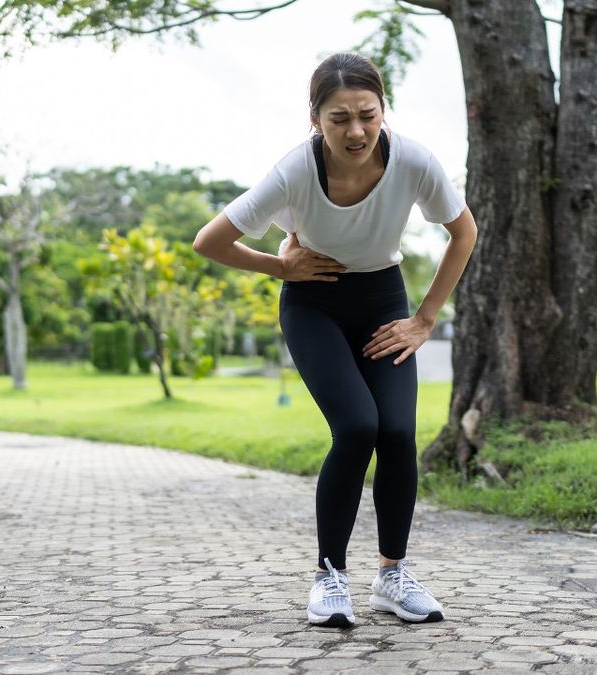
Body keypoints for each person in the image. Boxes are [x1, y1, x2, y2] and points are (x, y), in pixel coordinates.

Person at [192, 52, 477, 628]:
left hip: (383, 303)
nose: (356, 131)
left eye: (368, 115)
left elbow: (463, 232)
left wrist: (423, 320)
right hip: (314, 304)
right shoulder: (294, 170)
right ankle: (330, 577)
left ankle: (392, 577)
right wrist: (280, 268)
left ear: (382, 111)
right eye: (339, 117)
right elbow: (209, 241)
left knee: (397, 432)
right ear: (315, 119)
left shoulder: (414, 161)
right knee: (356, 427)